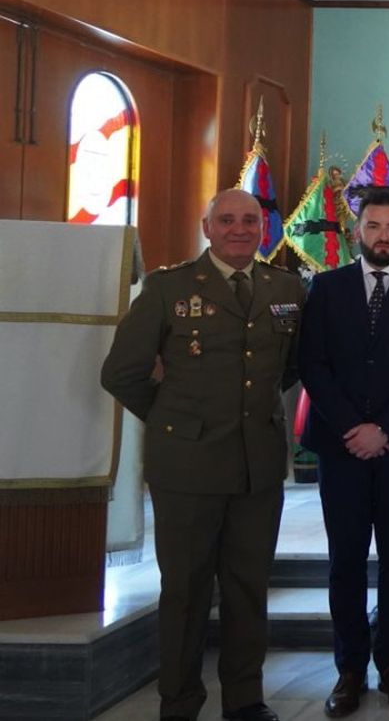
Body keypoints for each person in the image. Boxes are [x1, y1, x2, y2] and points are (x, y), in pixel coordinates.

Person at [101, 188, 305, 721]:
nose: (240, 229)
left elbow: (289, 368)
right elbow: (121, 372)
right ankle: (180, 702)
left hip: (256, 467)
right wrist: (176, 423)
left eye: (250, 221)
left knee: (247, 589)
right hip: (186, 468)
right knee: (187, 592)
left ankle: (244, 699)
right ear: (207, 227)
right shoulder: (169, 288)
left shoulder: (284, 287)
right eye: (228, 220)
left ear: (265, 229)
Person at [298, 188, 389, 716]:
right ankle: (349, 669)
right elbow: (313, 365)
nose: (383, 236)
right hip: (342, 450)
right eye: (374, 226)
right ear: (357, 230)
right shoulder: (327, 287)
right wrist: (353, 428)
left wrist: (382, 427)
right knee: (346, 562)